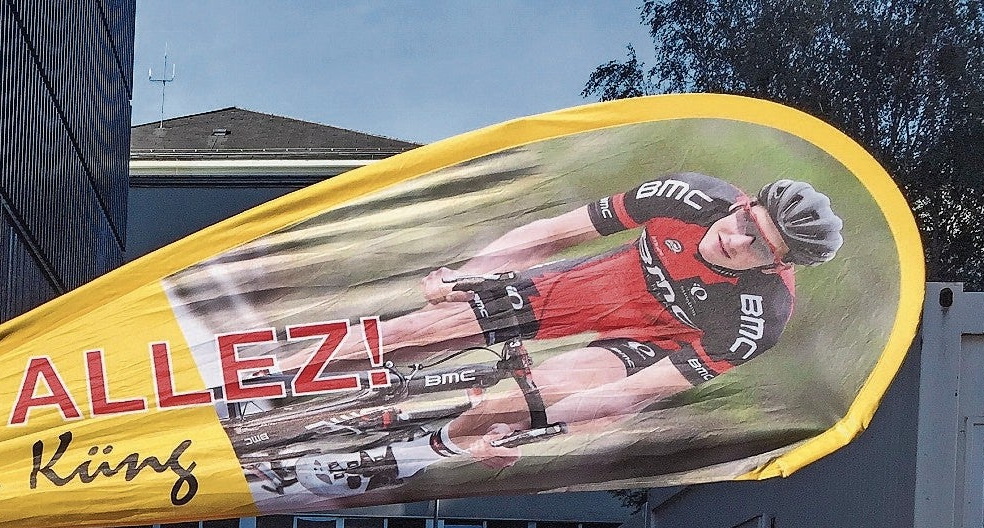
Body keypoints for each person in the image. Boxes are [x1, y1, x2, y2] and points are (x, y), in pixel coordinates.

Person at [286, 174, 842, 495]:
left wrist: (540, 427)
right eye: (747, 223)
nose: (738, 241)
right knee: (418, 331)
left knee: (535, 395)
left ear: (777, 264)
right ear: (743, 204)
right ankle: (276, 374)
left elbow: (639, 392)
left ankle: (416, 453)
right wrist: (467, 277)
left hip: (643, 344)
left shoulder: (759, 315)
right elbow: (555, 233)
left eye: (762, 247)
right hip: (594, 285)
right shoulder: (689, 196)